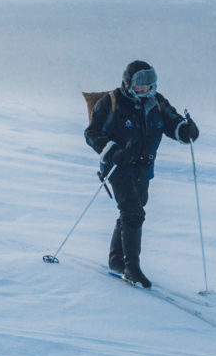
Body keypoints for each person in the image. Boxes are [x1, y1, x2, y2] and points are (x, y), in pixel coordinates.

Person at [83, 60, 199, 287]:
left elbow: (172, 123)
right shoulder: (112, 102)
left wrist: (186, 131)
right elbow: (92, 133)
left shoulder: (156, 102)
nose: (144, 89)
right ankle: (132, 269)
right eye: (139, 84)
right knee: (133, 213)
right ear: (128, 83)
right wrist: (112, 151)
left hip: (144, 170)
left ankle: (116, 260)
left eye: (149, 84)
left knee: (132, 211)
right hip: (118, 167)